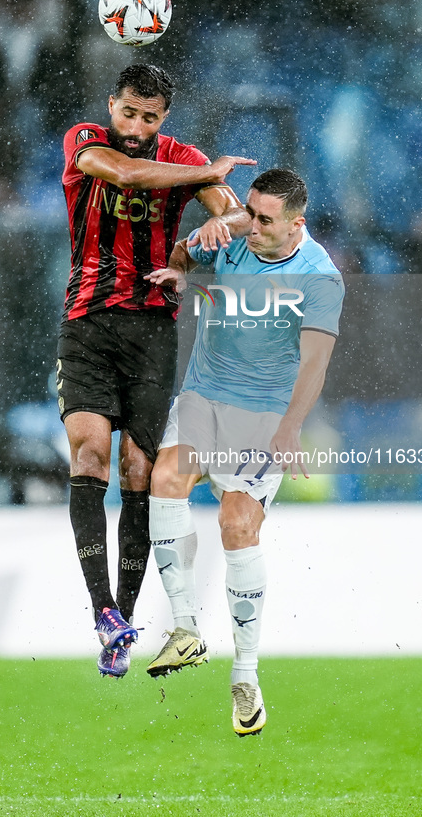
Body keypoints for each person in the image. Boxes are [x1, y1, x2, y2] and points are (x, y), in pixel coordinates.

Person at [57, 63, 256, 679]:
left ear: (163, 117)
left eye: (150, 117)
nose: (137, 126)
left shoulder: (181, 156)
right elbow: (122, 172)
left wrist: (206, 234)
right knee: (88, 450)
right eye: (129, 113)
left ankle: (126, 616)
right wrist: (204, 173)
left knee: (138, 467)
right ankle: (103, 612)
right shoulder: (85, 140)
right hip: (87, 320)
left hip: (151, 329)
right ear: (111, 104)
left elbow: (241, 215)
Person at [144, 168, 344, 734]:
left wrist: (290, 428)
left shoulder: (320, 278)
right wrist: (181, 269)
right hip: (204, 396)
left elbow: (315, 362)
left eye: (264, 220)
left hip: (264, 415)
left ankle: (247, 674)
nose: (249, 226)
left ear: (296, 224)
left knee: (236, 523)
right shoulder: (233, 231)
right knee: (165, 481)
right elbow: (189, 244)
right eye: (248, 212)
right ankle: (185, 630)